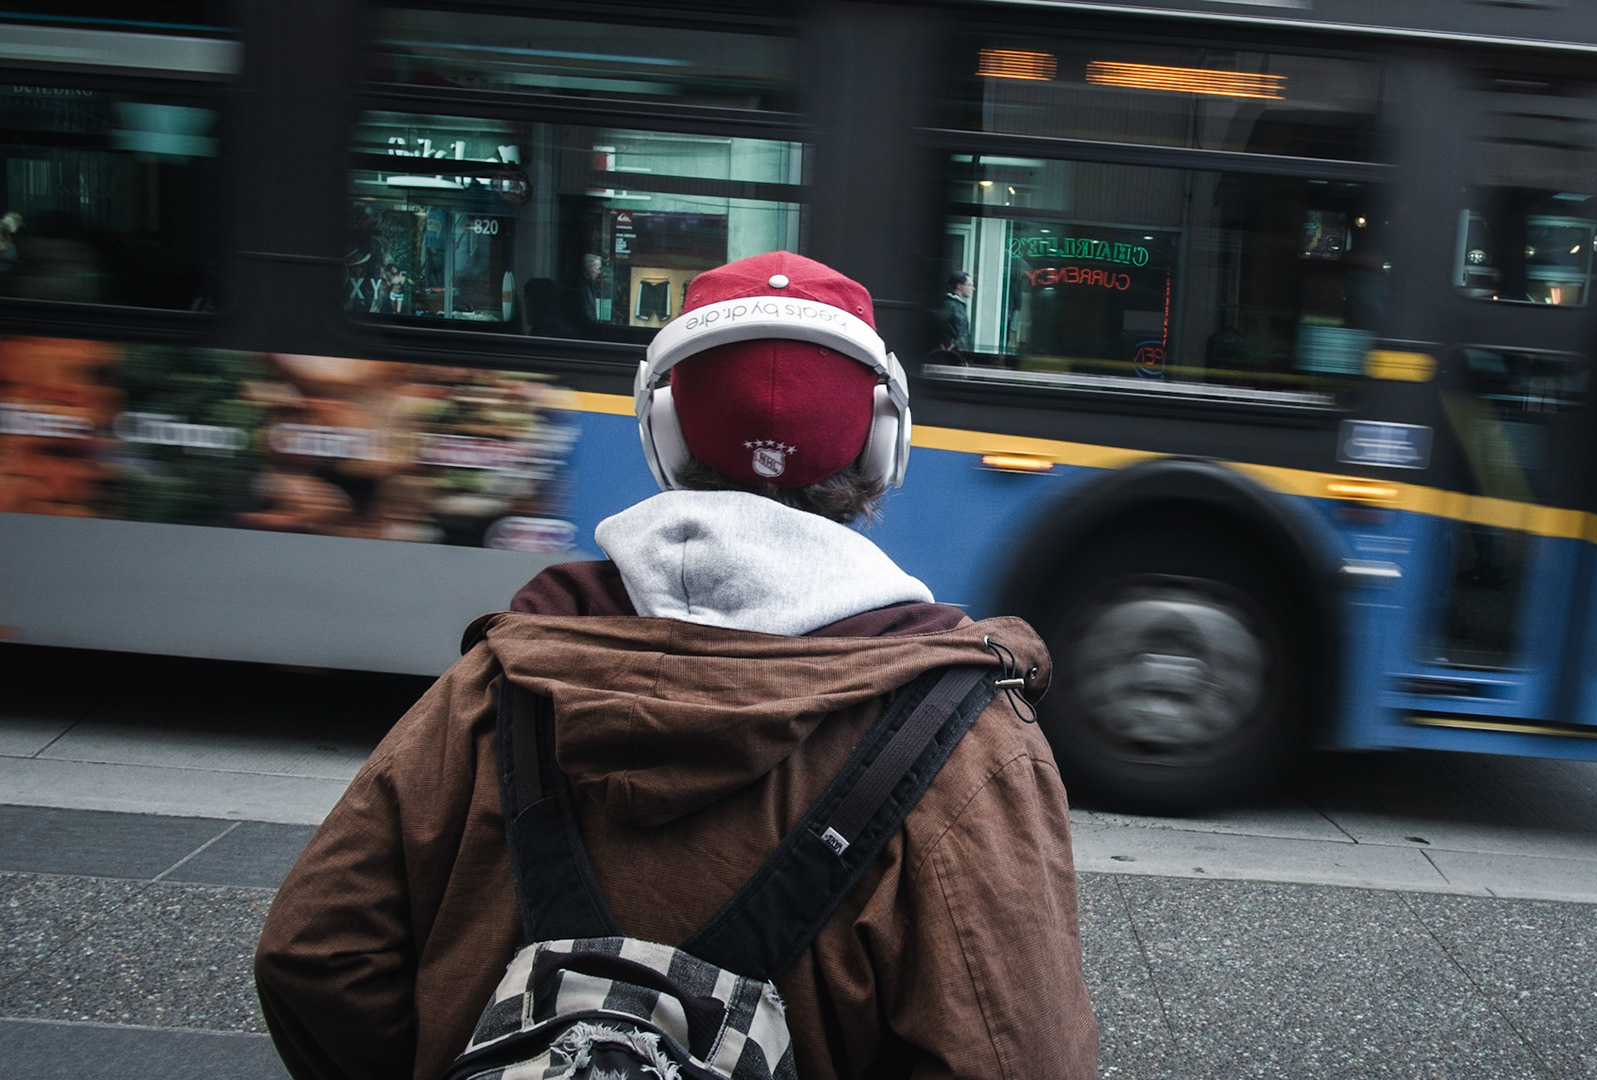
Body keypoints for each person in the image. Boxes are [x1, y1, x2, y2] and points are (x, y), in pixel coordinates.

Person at [254, 250, 1098, 1080]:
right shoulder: (967, 738)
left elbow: (312, 953)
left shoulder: (498, 683)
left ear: (663, 427)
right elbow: (1022, 1056)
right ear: (882, 443)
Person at [937, 270, 973, 353]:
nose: (972, 288)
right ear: (959, 286)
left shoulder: (947, 303)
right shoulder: (956, 307)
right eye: (969, 285)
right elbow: (962, 336)